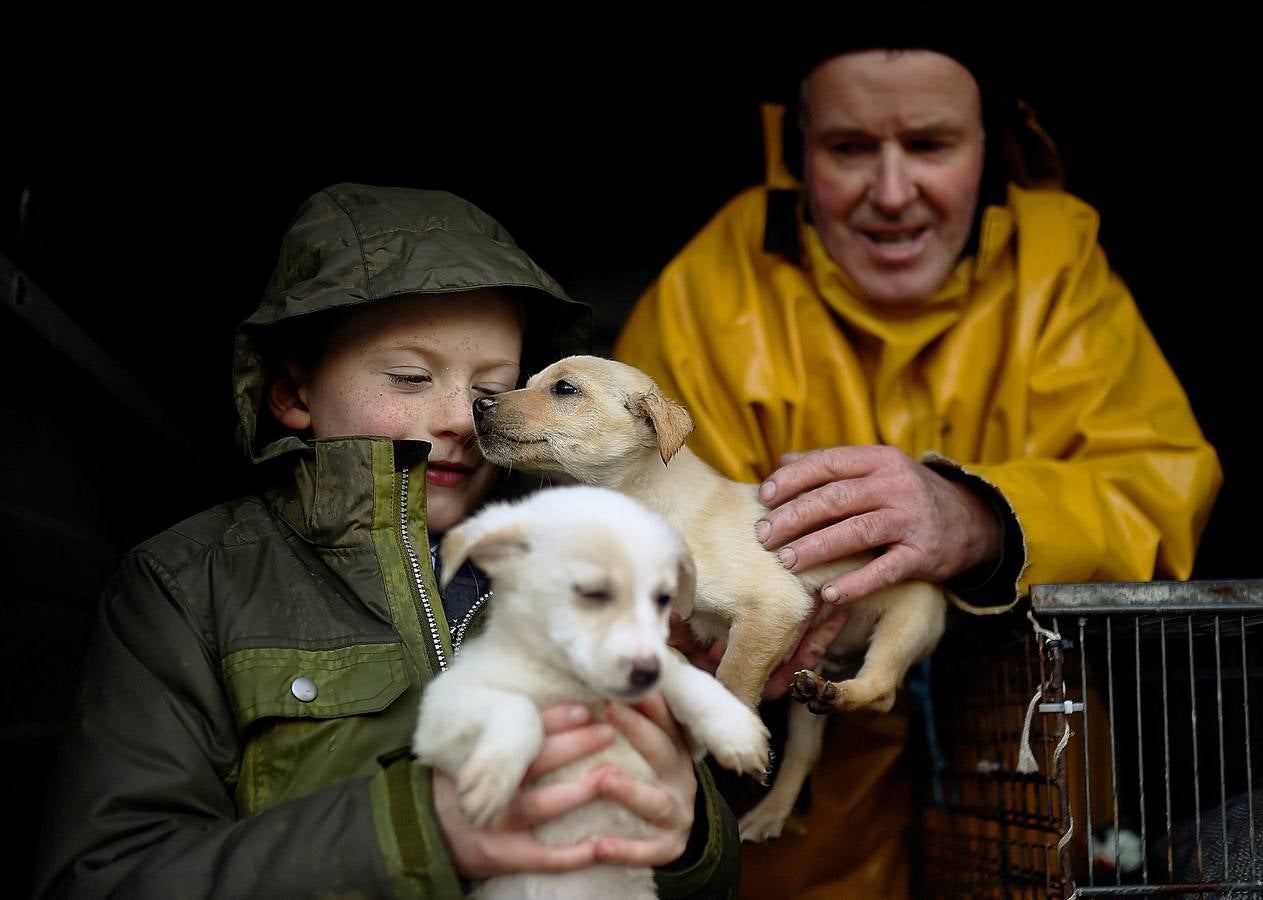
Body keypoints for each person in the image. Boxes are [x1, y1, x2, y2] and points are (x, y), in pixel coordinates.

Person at [614, 12, 1223, 898]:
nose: (892, 192)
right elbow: (637, 533)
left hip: (1031, 807)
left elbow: (1156, 485)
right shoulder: (709, 287)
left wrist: (976, 516)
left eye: (930, 144)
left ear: (992, 145)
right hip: (790, 834)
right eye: (851, 147)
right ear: (795, 152)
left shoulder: (1057, 259)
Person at [33, 183, 741, 898]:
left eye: (494, 388)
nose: (462, 418)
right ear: (293, 392)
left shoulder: (584, 553)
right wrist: (419, 832)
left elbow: (712, 867)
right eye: (409, 378)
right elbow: (103, 878)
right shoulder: (188, 584)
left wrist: (689, 842)